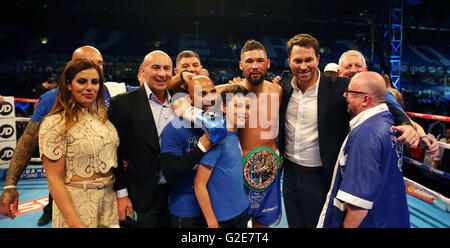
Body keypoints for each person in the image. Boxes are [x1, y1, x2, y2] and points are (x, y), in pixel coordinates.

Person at [278, 33, 418, 228]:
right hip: (290, 176)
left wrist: (407, 124)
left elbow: (379, 98)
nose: (303, 66)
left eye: (308, 59)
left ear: (318, 59)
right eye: (297, 60)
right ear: (289, 61)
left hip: (322, 177)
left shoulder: (340, 86)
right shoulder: (282, 87)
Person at [0, 45, 137, 224]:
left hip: (109, 195)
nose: (96, 68)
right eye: (86, 65)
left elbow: (152, 88)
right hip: (72, 190)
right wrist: (10, 185)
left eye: (100, 63)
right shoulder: (51, 100)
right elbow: (27, 143)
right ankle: (48, 210)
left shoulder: (112, 93)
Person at [317, 72, 410, 228]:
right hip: (392, 216)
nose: (345, 96)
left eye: (350, 93)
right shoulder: (387, 121)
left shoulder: (366, 134)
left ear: (366, 99)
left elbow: (359, 203)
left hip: (372, 222)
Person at [39, 58, 119, 228]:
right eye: (82, 81)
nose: (90, 87)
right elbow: (54, 180)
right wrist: (75, 222)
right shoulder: (54, 123)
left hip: (109, 201)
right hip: (76, 204)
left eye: (95, 82)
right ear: (68, 85)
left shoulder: (102, 118)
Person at [108, 50, 175, 228]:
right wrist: (121, 195)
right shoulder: (122, 104)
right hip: (139, 195)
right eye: (156, 67)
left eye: (167, 68)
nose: (162, 73)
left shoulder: (180, 103)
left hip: (175, 196)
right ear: (143, 72)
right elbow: (114, 153)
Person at [337, 49, 438, 158]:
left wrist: (423, 138)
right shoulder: (332, 92)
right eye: (348, 66)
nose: (353, 70)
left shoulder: (380, 92)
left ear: (365, 70)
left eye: (358, 66)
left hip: (368, 152)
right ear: (339, 72)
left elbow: (404, 119)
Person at [160, 75, 218, 228]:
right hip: (186, 208)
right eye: (202, 94)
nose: (210, 98)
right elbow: (170, 173)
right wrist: (200, 148)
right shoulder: (174, 128)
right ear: (190, 100)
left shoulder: (217, 123)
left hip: (215, 206)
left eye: (213, 92)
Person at [194, 84, 250, 228]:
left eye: (247, 107)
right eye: (237, 106)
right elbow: (199, 184)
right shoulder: (217, 139)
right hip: (223, 219)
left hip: (241, 211)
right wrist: (212, 222)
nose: (244, 111)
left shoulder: (235, 134)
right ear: (224, 108)